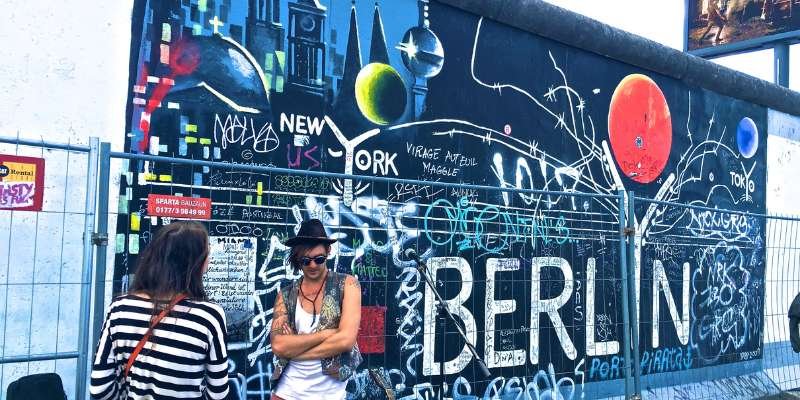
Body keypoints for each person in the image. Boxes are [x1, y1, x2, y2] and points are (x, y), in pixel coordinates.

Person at [90, 221, 229, 400]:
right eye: (207, 253)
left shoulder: (119, 308)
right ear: (196, 262)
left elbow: (99, 387)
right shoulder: (208, 316)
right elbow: (218, 393)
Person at [270, 219, 362, 400]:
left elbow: (345, 341)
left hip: (329, 395)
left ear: (328, 251)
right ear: (298, 258)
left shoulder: (348, 285)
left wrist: (296, 348)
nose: (312, 265)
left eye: (318, 259)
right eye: (306, 260)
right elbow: (279, 346)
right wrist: (328, 334)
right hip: (286, 392)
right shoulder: (286, 295)